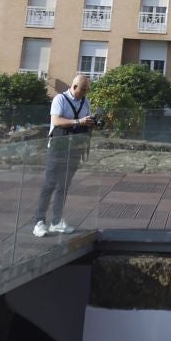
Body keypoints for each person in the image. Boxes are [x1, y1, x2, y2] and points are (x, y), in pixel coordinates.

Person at [32, 74, 100, 237]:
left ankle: (56, 222)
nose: (85, 93)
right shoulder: (60, 99)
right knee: (49, 184)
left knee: (63, 186)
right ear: (74, 87)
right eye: (83, 90)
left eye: (87, 90)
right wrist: (79, 122)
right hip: (58, 148)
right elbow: (56, 121)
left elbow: (84, 121)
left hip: (75, 148)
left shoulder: (85, 101)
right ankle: (39, 222)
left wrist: (92, 123)